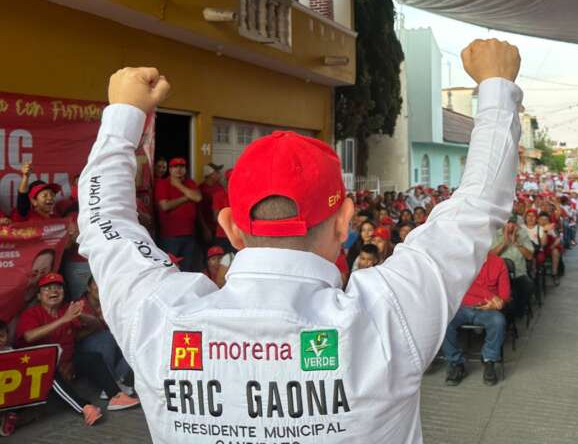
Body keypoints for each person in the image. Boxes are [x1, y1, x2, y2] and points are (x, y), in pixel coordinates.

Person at [77, 39, 522, 442]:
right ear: (344, 222)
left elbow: (103, 224)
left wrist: (123, 117)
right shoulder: (387, 317)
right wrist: (497, 88)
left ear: (231, 227)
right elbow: (478, 207)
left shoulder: (161, 318)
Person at [16, 273, 138, 424]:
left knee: (92, 358)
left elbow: (97, 326)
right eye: (47, 288)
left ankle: (116, 396)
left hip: (66, 361)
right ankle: (85, 408)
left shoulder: (66, 309)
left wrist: (83, 316)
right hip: (36, 369)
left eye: (58, 287)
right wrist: (63, 320)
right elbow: (29, 336)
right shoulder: (32, 313)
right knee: (49, 372)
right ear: (39, 296)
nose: (54, 291)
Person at [442, 252, 511, 387]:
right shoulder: (462, 260)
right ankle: (456, 363)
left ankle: (489, 360)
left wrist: (499, 303)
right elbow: (466, 285)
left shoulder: (498, 262)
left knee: (498, 321)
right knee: (444, 321)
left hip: (486, 309)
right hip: (462, 305)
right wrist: (491, 296)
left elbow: (505, 294)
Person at [76, 276, 133, 395]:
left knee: (133, 341)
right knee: (106, 337)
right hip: (87, 350)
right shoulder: (79, 306)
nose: (100, 287)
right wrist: (96, 326)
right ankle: (111, 387)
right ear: (88, 288)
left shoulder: (111, 303)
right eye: (96, 283)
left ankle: (115, 382)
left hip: (111, 345)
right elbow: (74, 337)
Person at [154, 157, 201, 271]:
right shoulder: (163, 183)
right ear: (170, 170)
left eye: (182, 166)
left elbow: (197, 197)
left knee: (187, 269)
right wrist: (187, 197)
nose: (179, 169)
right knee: (170, 269)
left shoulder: (190, 183)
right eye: (175, 167)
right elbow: (165, 206)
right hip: (171, 235)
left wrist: (178, 185)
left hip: (189, 234)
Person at [491, 220, 535, 318]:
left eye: (513, 223)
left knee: (528, 285)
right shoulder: (496, 235)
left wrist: (516, 243)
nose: (510, 226)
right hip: (499, 275)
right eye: (508, 223)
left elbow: (529, 256)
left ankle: (517, 313)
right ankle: (506, 315)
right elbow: (490, 256)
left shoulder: (522, 234)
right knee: (504, 292)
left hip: (519, 274)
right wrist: (504, 243)